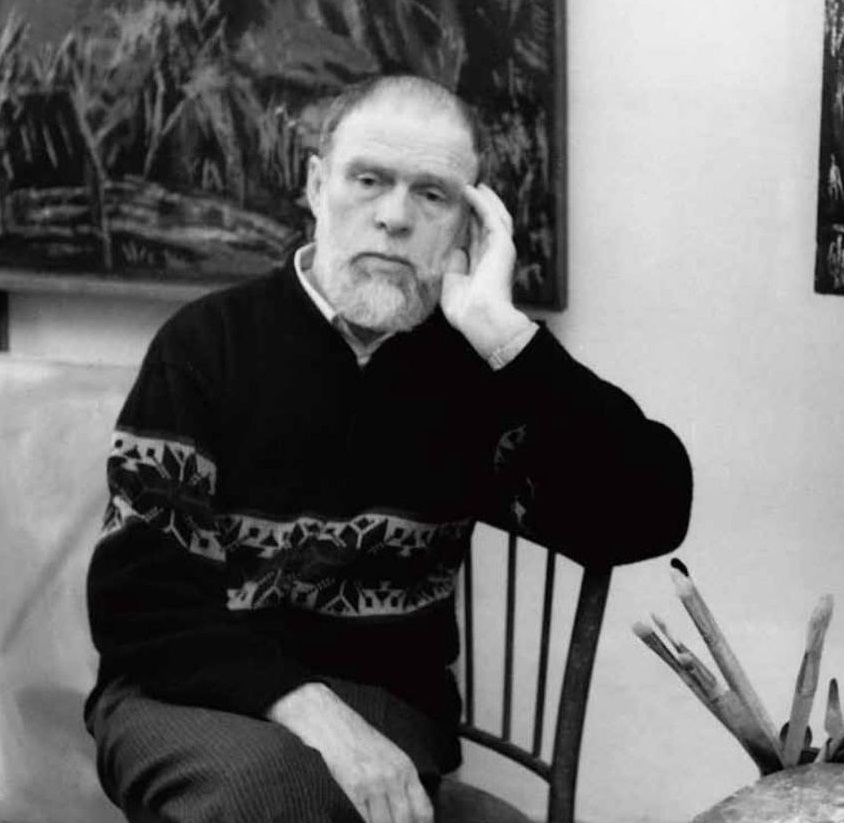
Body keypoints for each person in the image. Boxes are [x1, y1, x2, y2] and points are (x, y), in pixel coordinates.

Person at [85, 74, 693, 823]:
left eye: (433, 195)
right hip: (182, 689)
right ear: (317, 186)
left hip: (383, 696)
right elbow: (139, 604)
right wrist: (309, 711)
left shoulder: (475, 369)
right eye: (368, 180)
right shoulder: (207, 345)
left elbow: (648, 513)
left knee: (297, 795)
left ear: (471, 222)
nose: (395, 217)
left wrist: (507, 336)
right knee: (275, 791)